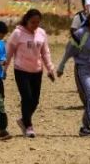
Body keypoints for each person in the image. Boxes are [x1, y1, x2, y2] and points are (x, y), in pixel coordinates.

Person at [4, 9, 56, 138]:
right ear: (26, 20)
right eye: (32, 22)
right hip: (21, 70)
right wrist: (4, 69)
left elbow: (45, 52)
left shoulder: (41, 33)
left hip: (37, 70)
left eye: (38, 22)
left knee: (35, 100)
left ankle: (23, 119)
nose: (35, 25)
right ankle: (28, 126)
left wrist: (50, 68)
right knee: (26, 98)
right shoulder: (17, 33)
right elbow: (9, 51)